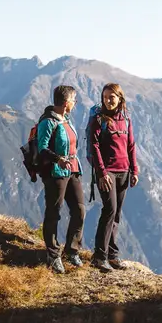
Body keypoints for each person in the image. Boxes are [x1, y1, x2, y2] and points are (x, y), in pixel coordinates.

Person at [87, 82, 139, 272]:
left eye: (111, 97)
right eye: (105, 97)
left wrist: (135, 170)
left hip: (124, 171)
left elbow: (131, 145)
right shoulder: (99, 120)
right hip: (107, 171)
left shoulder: (126, 119)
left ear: (119, 98)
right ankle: (99, 256)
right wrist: (101, 172)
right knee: (110, 210)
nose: (108, 100)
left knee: (116, 214)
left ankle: (112, 255)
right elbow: (94, 146)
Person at [36, 85, 85, 273]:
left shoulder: (66, 120)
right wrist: (58, 159)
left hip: (72, 170)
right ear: (66, 103)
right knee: (53, 212)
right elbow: (42, 148)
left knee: (79, 210)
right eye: (74, 100)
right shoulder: (48, 122)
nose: (75, 103)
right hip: (55, 173)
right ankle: (53, 254)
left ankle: (72, 250)